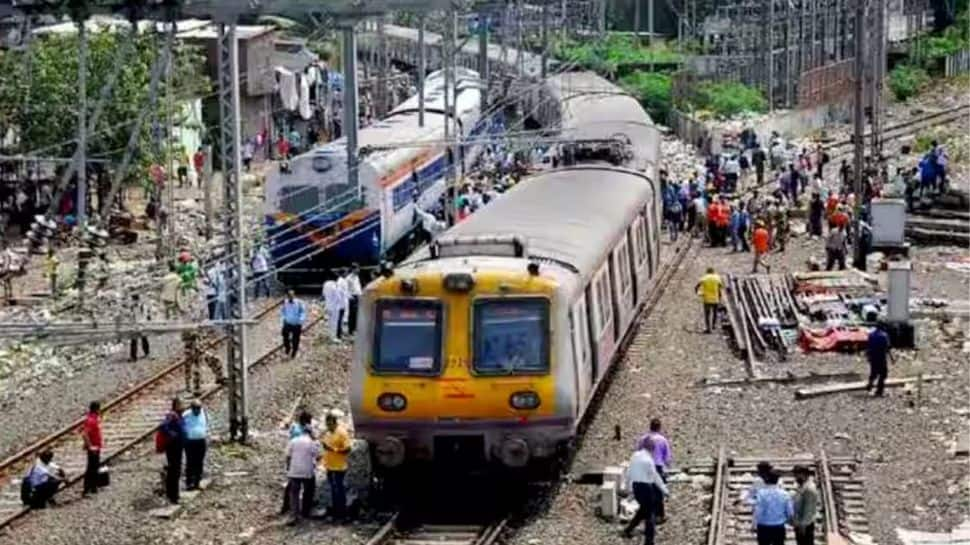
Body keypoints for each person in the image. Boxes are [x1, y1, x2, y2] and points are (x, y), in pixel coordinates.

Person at [622, 438, 669, 545]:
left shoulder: (635, 456)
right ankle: (649, 541)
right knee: (650, 514)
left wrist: (628, 488)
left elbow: (629, 472)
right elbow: (655, 477)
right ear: (651, 449)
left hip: (636, 487)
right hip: (646, 488)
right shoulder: (649, 460)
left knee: (643, 509)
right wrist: (664, 490)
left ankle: (628, 530)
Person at [285, 416, 321, 525]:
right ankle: (306, 511)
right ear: (310, 433)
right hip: (307, 471)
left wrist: (288, 467)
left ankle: (294, 515)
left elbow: (288, 456)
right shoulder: (312, 443)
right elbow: (318, 456)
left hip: (294, 470)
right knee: (309, 490)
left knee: (294, 493)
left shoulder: (294, 441)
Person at [637, 419, 672, 523]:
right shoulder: (662, 440)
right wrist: (666, 467)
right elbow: (667, 457)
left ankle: (646, 514)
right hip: (657, 467)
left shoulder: (643, 439)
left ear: (650, 427)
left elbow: (639, 452)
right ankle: (659, 515)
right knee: (658, 491)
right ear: (659, 427)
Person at [321, 410, 353, 521]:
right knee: (333, 490)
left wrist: (333, 449)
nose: (328, 426)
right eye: (327, 424)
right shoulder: (328, 433)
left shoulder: (342, 433)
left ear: (334, 423)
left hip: (339, 467)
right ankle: (335, 513)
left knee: (339, 490)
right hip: (329, 466)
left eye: (330, 424)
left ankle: (342, 514)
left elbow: (348, 449)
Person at [752, 470, 793, 545]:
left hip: (763, 527)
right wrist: (789, 521)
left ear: (766, 479)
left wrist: (753, 524)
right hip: (779, 527)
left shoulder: (761, 493)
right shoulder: (785, 494)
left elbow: (758, 511)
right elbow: (789, 511)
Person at [159, 398, 185, 504]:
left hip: (178, 447)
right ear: (176, 405)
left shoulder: (179, 416)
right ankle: (173, 496)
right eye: (180, 404)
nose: (182, 406)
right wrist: (172, 434)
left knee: (176, 471)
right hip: (173, 447)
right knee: (174, 471)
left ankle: (175, 494)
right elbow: (163, 426)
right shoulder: (172, 415)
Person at [182, 399, 209, 491]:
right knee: (190, 462)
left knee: (199, 462)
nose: (197, 410)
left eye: (198, 408)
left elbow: (206, 423)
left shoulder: (203, 413)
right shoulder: (186, 415)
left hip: (201, 441)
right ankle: (189, 483)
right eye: (195, 408)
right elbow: (181, 426)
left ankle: (197, 482)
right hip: (190, 442)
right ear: (192, 408)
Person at [791, 465, 819, 545]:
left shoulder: (809, 488)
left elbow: (808, 509)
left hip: (805, 525)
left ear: (803, 474)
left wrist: (802, 525)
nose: (795, 477)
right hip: (800, 522)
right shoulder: (802, 486)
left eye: (796, 475)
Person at [81, 401, 103, 497]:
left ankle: (93, 487)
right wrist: (90, 446)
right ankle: (87, 488)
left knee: (94, 467)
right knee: (91, 468)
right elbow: (85, 434)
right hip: (93, 448)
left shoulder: (93, 419)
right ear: (96, 409)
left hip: (95, 447)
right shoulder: (91, 420)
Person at [866, 323, 893, 397]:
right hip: (881, 357)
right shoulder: (884, 335)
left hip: (873, 356)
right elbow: (887, 348)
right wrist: (892, 358)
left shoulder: (871, 335)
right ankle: (879, 390)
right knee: (883, 374)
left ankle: (870, 384)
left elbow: (868, 346)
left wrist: (868, 356)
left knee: (873, 372)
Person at [696, 267, 723, 334]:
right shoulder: (717, 277)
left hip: (707, 299)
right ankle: (714, 325)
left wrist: (698, 293)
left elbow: (696, 286)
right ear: (713, 272)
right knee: (715, 313)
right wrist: (720, 297)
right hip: (715, 299)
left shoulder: (705, 277)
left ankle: (708, 329)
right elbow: (720, 288)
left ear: (707, 272)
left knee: (707, 315)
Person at [281, 290, 306, 357]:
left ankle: (294, 351)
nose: (290, 297)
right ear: (287, 296)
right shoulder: (285, 302)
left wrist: (301, 320)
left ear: (294, 296)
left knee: (296, 338)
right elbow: (283, 311)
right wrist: (283, 319)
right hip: (287, 323)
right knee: (284, 336)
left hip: (296, 324)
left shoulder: (299, 302)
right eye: (289, 296)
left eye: (291, 296)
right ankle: (287, 348)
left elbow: (303, 312)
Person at [129, 293, 151, 361]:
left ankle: (147, 353)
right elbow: (132, 317)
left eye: (134, 300)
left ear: (138, 300)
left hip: (142, 325)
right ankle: (133, 357)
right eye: (133, 300)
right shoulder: (132, 307)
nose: (133, 301)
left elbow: (145, 316)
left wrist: (140, 325)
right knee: (134, 341)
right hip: (135, 326)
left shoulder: (143, 306)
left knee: (144, 340)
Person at [322, 277, 342, 342]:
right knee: (334, 322)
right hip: (335, 307)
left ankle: (330, 335)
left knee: (330, 322)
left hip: (328, 306)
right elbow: (338, 297)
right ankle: (333, 337)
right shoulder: (334, 286)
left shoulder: (326, 285)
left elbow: (324, 295)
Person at [345, 265, 362, 336]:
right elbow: (346, 289)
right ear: (353, 269)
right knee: (351, 314)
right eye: (357, 269)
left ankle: (355, 329)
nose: (358, 270)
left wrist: (360, 295)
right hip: (352, 297)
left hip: (357, 297)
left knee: (356, 314)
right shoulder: (348, 278)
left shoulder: (357, 277)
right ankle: (350, 330)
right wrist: (350, 297)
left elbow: (358, 287)